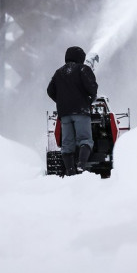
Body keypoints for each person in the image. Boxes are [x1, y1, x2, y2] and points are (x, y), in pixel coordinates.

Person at [47, 46, 98, 176]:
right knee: (85, 139)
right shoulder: (83, 69)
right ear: (80, 58)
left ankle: (70, 170)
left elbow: (50, 90)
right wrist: (89, 99)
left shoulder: (59, 72)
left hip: (64, 114)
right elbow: (92, 87)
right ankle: (81, 165)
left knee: (67, 144)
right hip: (80, 111)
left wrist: (61, 101)